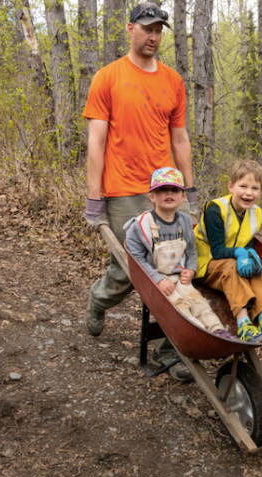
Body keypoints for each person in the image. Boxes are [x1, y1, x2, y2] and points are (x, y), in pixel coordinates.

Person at [82, 2, 197, 381]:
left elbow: (179, 139)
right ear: (130, 29)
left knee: (170, 265)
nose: (153, 36)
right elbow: (96, 142)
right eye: (147, 28)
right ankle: (99, 298)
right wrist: (94, 197)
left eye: (159, 29)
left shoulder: (173, 82)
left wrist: (190, 189)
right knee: (135, 269)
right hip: (122, 190)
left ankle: (168, 349)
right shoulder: (108, 77)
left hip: (164, 187)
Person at [125, 168, 236, 343]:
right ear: (152, 196)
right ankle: (195, 335)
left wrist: (191, 270)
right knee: (178, 306)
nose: (169, 193)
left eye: (175, 190)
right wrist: (158, 281)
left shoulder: (184, 221)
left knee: (197, 301)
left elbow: (191, 249)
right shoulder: (141, 226)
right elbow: (137, 260)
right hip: (155, 278)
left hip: (179, 273)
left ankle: (217, 330)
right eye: (162, 189)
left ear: (182, 196)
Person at [194, 160, 262, 343]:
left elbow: (243, 240)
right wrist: (241, 253)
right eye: (243, 186)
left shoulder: (256, 213)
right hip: (204, 264)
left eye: (255, 188)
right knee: (234, 266)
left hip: (228, 260)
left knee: (255, 266)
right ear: (231, 186)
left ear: (261, 191)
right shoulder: (216, 209)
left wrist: (250, 253)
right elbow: (217, 251)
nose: (249, 193)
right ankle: (244, 325)